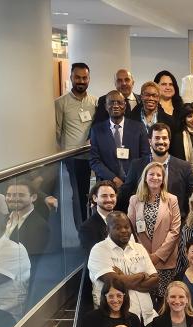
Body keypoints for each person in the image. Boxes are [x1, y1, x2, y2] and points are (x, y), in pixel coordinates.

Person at [87, 212, 158, 326]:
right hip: (116, 319)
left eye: (127, 227)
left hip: (147, 317)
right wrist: (142, 275)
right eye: (117, 227)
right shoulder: (99, 250)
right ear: (107, 229)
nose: (124, 230)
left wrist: (124, 278)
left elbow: (155, 281)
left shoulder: (139, 248)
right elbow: (115, 283)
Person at [117, 122, 193, 218]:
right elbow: (125, 192)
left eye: (164, 138)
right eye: (157, 138)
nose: (161, 141)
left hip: (176, 222)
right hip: (143, 222)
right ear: (150, 141)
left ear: (169, 141)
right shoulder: (137, 165)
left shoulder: (184, 166)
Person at [126, 161, 181, 300]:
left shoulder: (172, 200)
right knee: (144, 299)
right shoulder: (134, 200)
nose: (155, 177)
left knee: (164, 301)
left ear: (163, 179)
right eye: (151, 174)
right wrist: (144, 255)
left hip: (165, 261)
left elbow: (175, 231)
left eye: (159, 175)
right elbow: (130, 229)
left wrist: (157, 256)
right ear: (145, 177)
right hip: (141, 259)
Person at [55, 62, 97, 227]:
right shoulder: (61, 103)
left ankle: (92, 228)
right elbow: (57, 132)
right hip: (73, 158)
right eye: (77, 77)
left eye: (84, 77)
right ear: (71, 78)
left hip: (93, 157)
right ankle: (81, 230)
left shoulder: (95, 102)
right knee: (79, 196)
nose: (81, 81)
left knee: (93, 194)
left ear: (89, 79)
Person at [89, 91, 150, 188]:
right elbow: (94, 161)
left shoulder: (139, 128)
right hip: (107, 184)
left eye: (119, 102)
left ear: (125, 106)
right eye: (111, 102)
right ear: (105, 106)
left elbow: (146, 156)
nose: (115, 105)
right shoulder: (97, 130)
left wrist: (133, 177)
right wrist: (113, 178)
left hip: (135, 183)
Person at [4, 180, 50, 258]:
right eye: (9, 195)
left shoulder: (40, 226)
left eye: (20, 195)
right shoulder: (4, 218)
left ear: (33, 197)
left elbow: (31, 260)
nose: (12, 198)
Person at [78, 181, 117, 254]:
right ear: (95, 198)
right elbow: (96, 256)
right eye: (104, 196)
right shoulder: (86, 228)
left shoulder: (124, 220)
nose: (109, 199)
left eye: (112, 196)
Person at [153, 70, 186, 156]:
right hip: (158, 154)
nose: (168, 87)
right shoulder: (152, 108)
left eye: (171, 84)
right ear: (156, 86)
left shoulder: (182, 108)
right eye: (163, 84)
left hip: (181, 155)